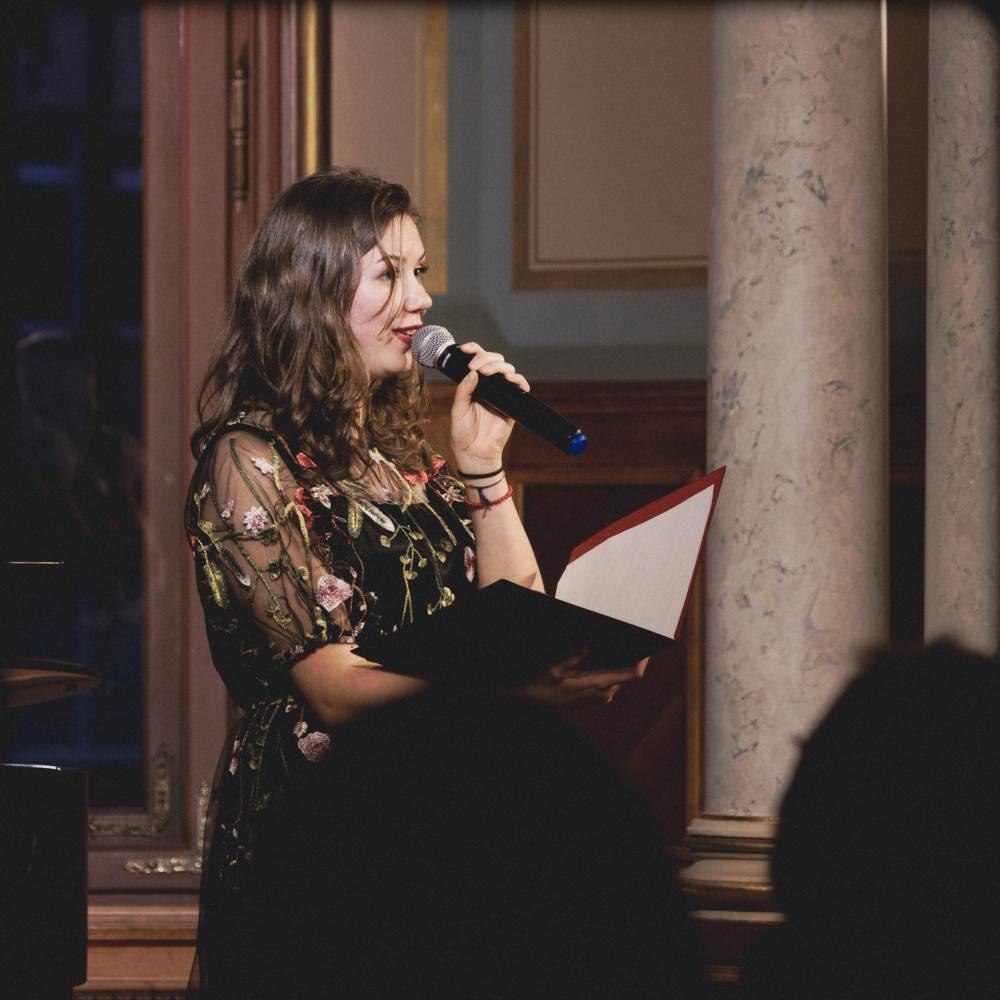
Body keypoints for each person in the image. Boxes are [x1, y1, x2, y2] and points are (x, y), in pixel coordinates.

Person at [185, 168, 673, 998]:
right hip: (324, 819)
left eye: (419, 271)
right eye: (389, 274)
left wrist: (484, 470)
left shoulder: (397, 456)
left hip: (438, 805)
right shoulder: (248, 460)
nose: (421, 300)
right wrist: (507, 689)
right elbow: (334, 688)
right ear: (310, 293)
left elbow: (516, 612)